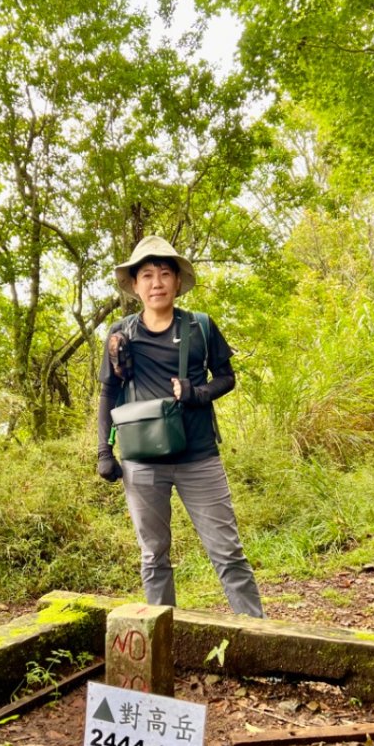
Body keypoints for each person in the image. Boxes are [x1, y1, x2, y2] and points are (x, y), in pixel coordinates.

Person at [97, 235, 264, 618]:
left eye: (165, 274)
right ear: (135, 285)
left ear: (176, 281)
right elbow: (107, 393)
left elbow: (226, 377)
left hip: (199, 458)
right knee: (154, 555)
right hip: (141, 462)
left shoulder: (200, 327)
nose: (157, 283)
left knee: (227, 552)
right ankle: (161, 643)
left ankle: (258, 636)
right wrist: (104, 453)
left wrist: (197, 393)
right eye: (147, 275)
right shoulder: (121, 335)